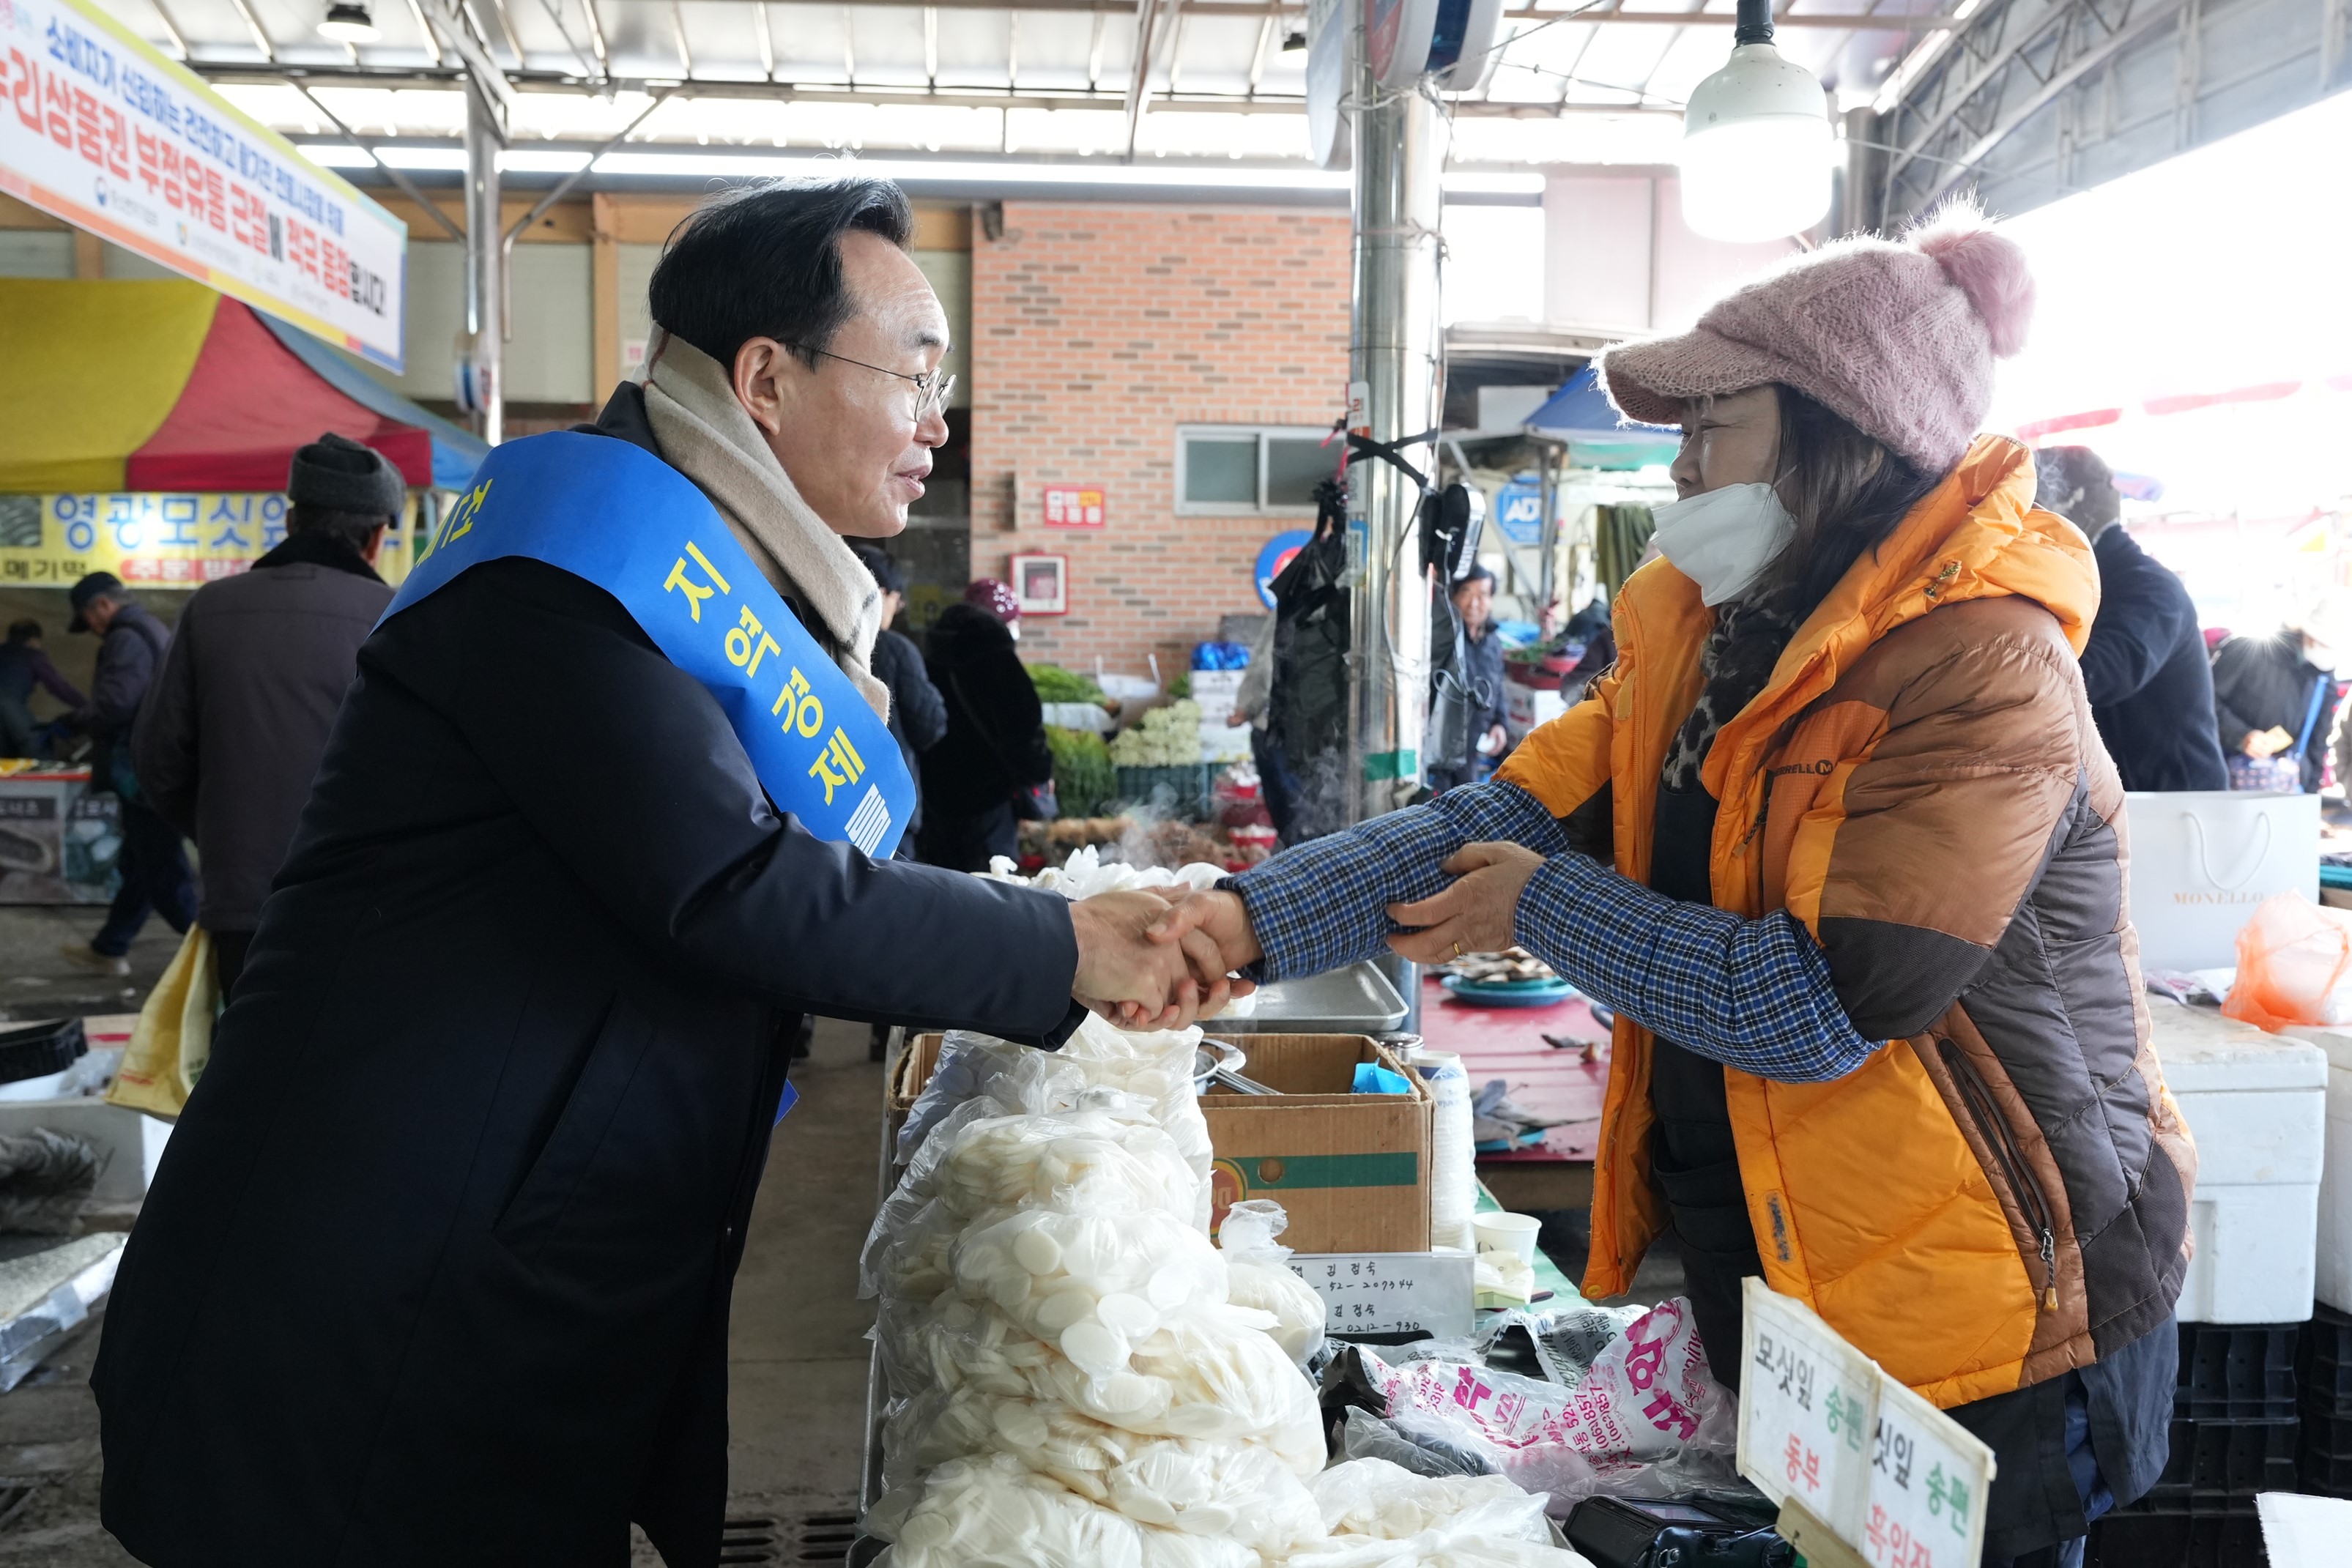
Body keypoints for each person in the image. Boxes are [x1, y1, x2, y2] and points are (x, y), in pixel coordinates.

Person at [92, 177, 1233, 1568]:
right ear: (765, 379)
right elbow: (732, 884)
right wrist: (1065, 947)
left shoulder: (727, 587)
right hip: (378, 1304)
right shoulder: (567, 577)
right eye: (915, 377)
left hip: (502, 1274)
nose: (939, 424)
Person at [1150, 207, 2191, 1567]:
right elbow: (1493, 820)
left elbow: (1817, 1004)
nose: (1680, 462)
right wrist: (1233, 925)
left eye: (1714, 425)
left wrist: (1542, 904)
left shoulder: (1978, 668)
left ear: (1839, 434)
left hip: (1990, 1307)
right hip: (1798, 1280)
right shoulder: (1711, 643)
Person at [130, 434, 402, 998]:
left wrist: (225, 831)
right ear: (377, 536)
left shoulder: (210, 607)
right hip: (368, 898)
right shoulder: (398, 615)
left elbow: (157, 760)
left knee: (248, 1048)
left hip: (241, 899)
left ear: (290, 520)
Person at [2034, 446, 2227, 792]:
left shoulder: (2149, 588)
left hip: (2178, 804)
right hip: (2137, 799)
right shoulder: (2090, 582)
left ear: (2069, 508)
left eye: (2033, 511)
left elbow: (2101, 673)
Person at [60, 573, 192, 977]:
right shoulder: (152, 628)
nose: (93, 628)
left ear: (103, 605)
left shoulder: (126, 637)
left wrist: (77, 719)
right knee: (140, 864)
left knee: (164, 872)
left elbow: (117, 703)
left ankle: (225, 956)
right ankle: (109, 947)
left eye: (90, 618)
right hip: (157, 768)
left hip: (141, 775)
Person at [918, 577, 1054, 871]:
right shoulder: (997, 661)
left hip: (937, 800)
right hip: (989, 801)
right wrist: (1039, 772)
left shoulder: (929, 659)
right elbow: (1025, 728)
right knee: (995, 882)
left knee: (945, 883)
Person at [850, 542, 949, 855]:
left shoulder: (817, 634)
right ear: (880, 593)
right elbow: (930, 726)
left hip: (831, 788)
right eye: (897, 599)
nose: (898, 607)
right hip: (889, 803)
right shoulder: (895, 649)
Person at [2211, 614, 2340, 793]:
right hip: (2226, 779)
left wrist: (2311, 793)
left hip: (2287, 787)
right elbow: (2204, 702)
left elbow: (2317, 743)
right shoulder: (2249, 650)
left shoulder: (2323, 679)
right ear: (2310, 636)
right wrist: (2241, 736)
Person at [1427, 565, 1508, 792]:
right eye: (1466, 593)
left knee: (1466, 799)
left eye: (1482, 595)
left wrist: (1500, 723)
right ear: (1453, 596)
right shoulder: (1440, 636)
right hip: (1438, 749)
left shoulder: (1492, 641)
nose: (1474, 603)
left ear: (1491, 600)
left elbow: (1498, 685)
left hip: (1473, 747)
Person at [0, 619, 84, 759]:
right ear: (34, 640)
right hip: (11, 709)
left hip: (8, 712)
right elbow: (59, 687)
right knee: (39, 752)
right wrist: (87, 706)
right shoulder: (33, 655)